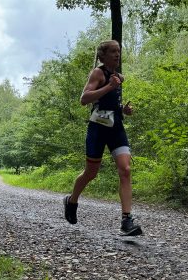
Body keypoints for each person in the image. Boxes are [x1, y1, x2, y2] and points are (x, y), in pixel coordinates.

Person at [63, 40, 142, 236]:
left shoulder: (118, 77)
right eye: (113, 52)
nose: (117, 55)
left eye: (119, 51)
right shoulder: (97, 73)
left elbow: (111, 103)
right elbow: (84, 99)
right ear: (102, 56)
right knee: (91, 173)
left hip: (116, 127)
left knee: (125, 169)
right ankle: (71, 200)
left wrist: (124, 110)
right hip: (97, 129)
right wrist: (109, 87)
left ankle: (126, 220)